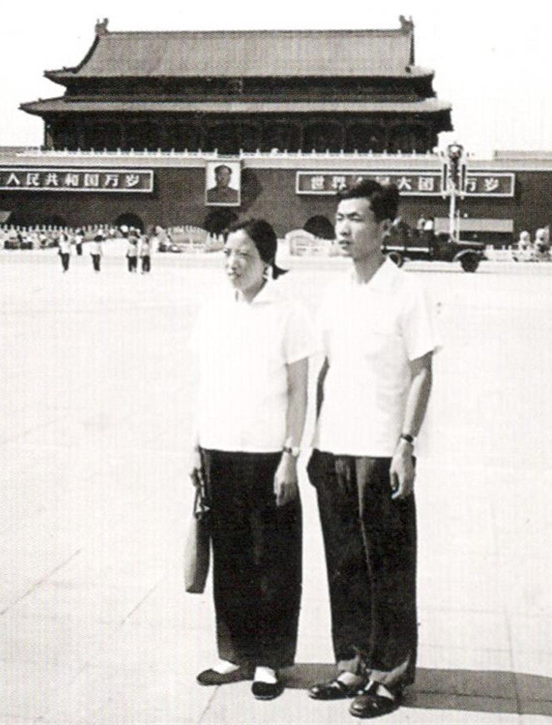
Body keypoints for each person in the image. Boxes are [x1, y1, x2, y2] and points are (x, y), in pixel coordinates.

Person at [307, 180, 440, 719]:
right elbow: (328, 370)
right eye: (340, 218)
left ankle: (389, 676)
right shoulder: (334, 292)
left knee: (388, 568)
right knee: (343, 566)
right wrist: (315, 442)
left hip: (381, 450)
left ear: (385, 227)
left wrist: (406, 444)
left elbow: (422, 372)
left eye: (356, 218)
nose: (343, 228)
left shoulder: (407, 292)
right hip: (334, 448)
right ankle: (352, 664)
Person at [189, 218, 316, 701]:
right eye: (227, 253)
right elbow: (204, 384)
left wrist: (290, 454)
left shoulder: (289, 312)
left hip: (267, 453)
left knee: (274, 560)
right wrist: (195, 444)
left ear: (267, 262)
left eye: (244, 254)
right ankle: (235, 652)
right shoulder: (213, 309)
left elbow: (300, 391)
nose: (233, 263)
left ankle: (270, 659)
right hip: (218, 449)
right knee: (231, 556)